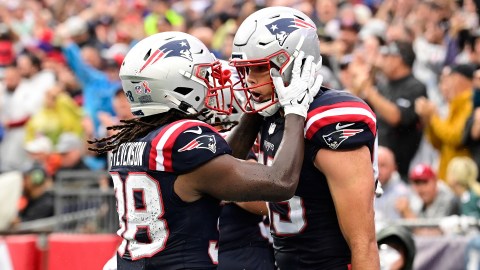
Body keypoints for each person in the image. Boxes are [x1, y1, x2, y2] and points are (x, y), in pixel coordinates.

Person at [89, 31, 322, 269]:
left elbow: (220, 161)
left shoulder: (134, 139)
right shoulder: (182, 138)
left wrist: (253, 110)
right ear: (176, 85)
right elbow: (281, 183)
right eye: (203, 74)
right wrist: (295, 110)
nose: (212, 82)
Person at [228, 6, 379, 269]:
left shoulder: (330, 117)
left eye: (260, 69)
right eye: (246, 70)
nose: (249, 80)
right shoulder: (270, 115)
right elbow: (231, 177)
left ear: (294, 63)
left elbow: (363, 241)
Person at [374, 146, 410, 225]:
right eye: (376, 165)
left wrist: (406, 211)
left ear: (394, 168)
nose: (378, 170)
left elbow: (417, 227)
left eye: (383, 165)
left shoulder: (403, 192)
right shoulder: (364, 190)